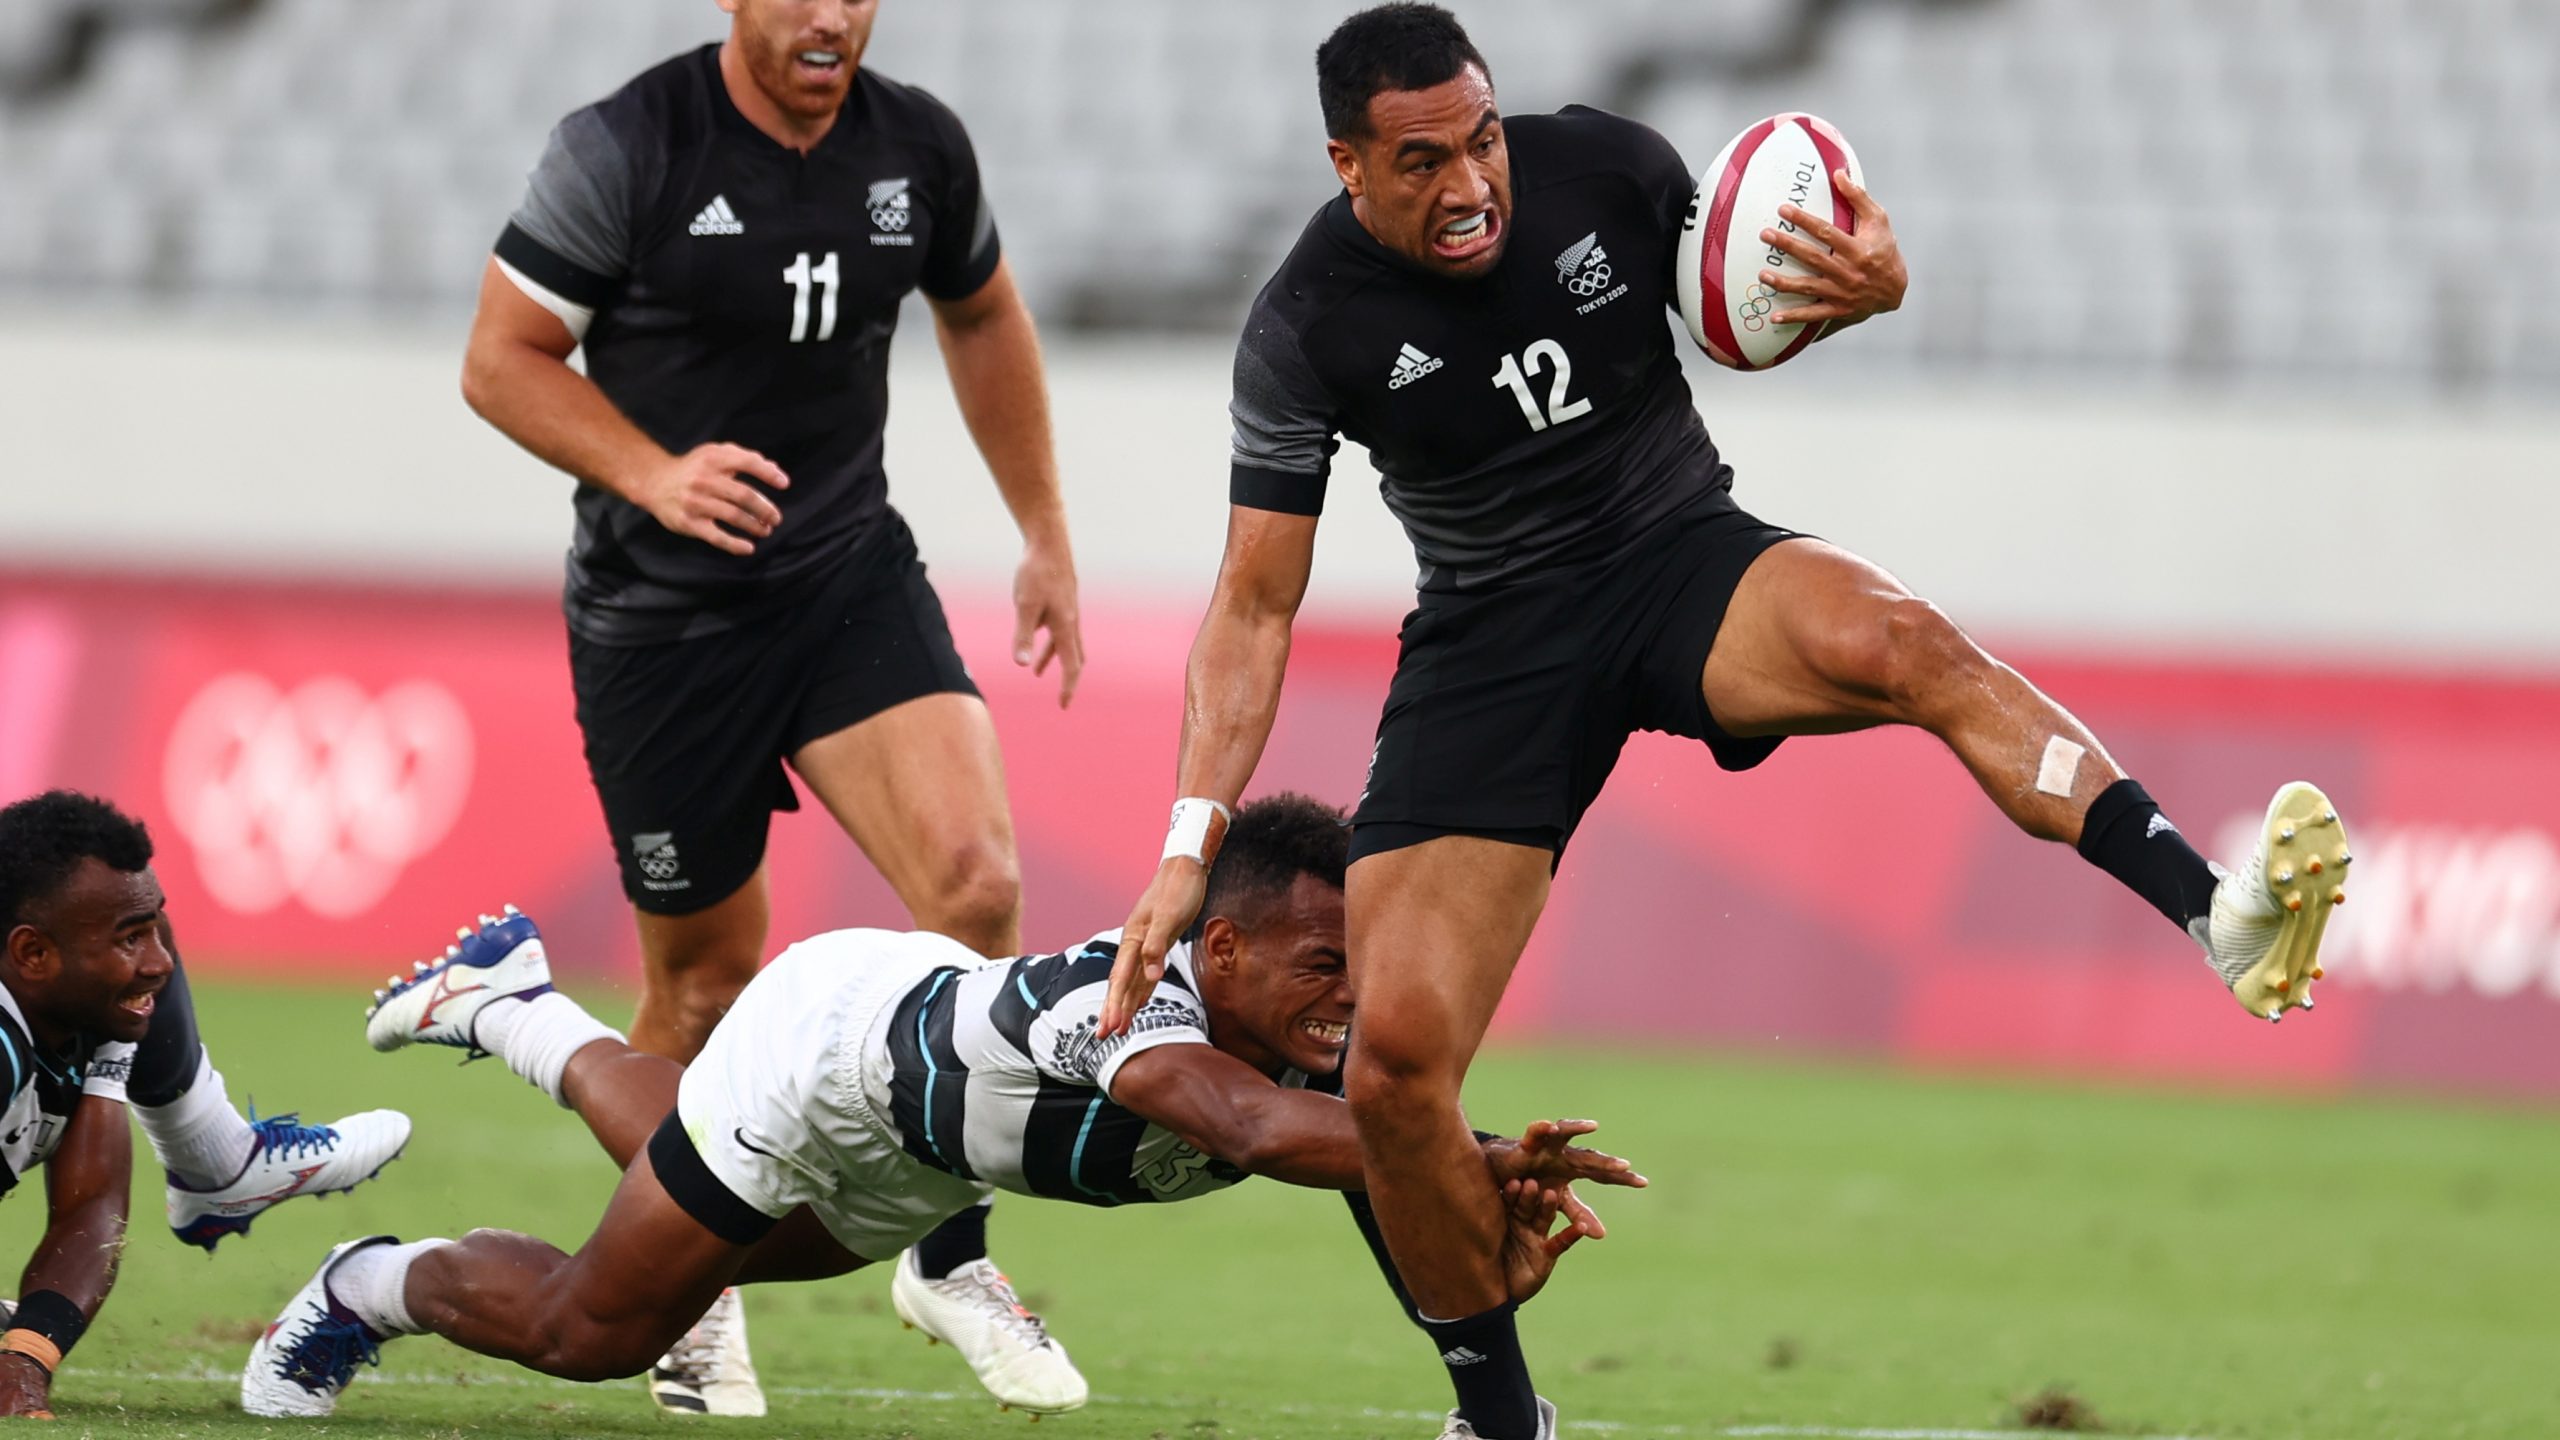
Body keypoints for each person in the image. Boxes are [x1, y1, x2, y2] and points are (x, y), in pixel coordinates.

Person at [1102, 7, 2356, 1438]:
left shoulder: (1611, 172)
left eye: (1485, 139)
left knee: (1904, 642)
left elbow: (1754, 292)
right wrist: (1190, 842)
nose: (1472, 187)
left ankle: (2217, 915)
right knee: (1393, 1070)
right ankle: (1499, 1418)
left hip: (1678, 557)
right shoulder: (1305, 327)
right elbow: (1255, 606)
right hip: (1491, 645)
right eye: (1423, 161)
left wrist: (1869, 287)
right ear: (1349, 165)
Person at [459, 0, 1086, 1413]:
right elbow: (499, 357)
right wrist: (651, 472)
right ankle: (687, 1286)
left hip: (843, 577)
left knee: (978, 892)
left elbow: (981, 310)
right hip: (664, 620)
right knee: (705, 983)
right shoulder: (629, 146)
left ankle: (948, 1253)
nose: (830, 16)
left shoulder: (916, 146)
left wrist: (1042, 530)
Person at [239, 795, 1641, 1424]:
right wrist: (1476, 1158)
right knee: (600, 1330)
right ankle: (374, 1284)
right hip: (823, 1063)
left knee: (699, 1219)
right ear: (1220, 951)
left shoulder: (1330, 1052)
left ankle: (515, 1006)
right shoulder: (1137, 1002)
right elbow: (1263, 1137)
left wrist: (1492, 1388)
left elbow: (1380, 1189)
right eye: (1326, 965)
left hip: (919, 1162)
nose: (1352, 1000)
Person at [0, 791, 410, 1418]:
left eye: (153, 929)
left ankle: (217, 1158)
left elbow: (92, 1207)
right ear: (33, 955)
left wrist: (25, 1358)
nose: (161, 963)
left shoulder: (84, 1002)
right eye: (131, 940)